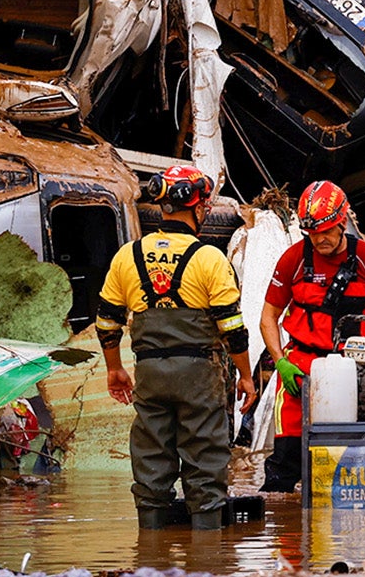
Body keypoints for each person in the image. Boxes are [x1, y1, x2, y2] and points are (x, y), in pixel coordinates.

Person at [96, 165, 257, 530]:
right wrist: (246, 377)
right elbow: (232, 328)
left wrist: (114, 368)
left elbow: (107, 320)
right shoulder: (210, 259)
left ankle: (151, 553)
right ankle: (207, 555)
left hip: (150, 373)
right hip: (199, 375)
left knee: (151, 459)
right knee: (205, 462)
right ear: (199, 209)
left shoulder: (127, 256)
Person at [259, 181, 365, 493]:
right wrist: (281, 362)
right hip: (299, 369)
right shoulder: (293, 259)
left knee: (351, 466)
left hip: (352, 369)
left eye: (325, 231)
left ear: (342, 222)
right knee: (283, 467)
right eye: (312, 232)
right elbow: (268, 316)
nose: (319, 239)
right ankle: (286, 536)